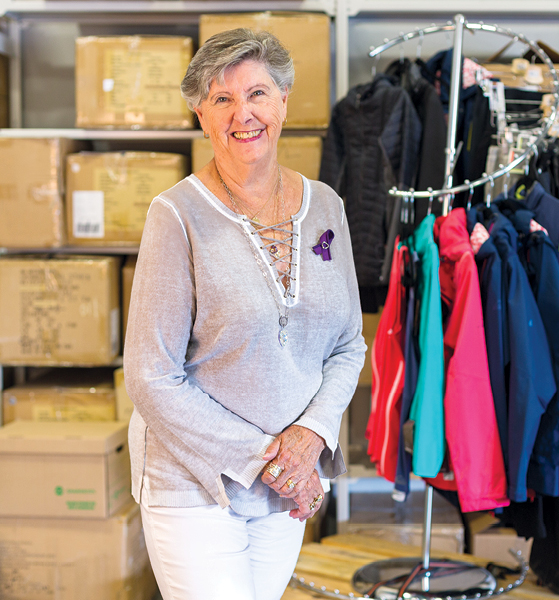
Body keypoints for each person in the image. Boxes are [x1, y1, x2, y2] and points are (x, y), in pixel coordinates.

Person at [123, 28, 366, 600]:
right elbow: (151, 375)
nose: (244, 114)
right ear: (201, 116)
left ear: (283, 99)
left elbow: (348, 344)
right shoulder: (175, 216)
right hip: (196, 485)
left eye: (257, 93)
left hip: (284, 485)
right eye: (222, 99)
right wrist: (271, 461)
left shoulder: (326, 206)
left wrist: (309, 437)